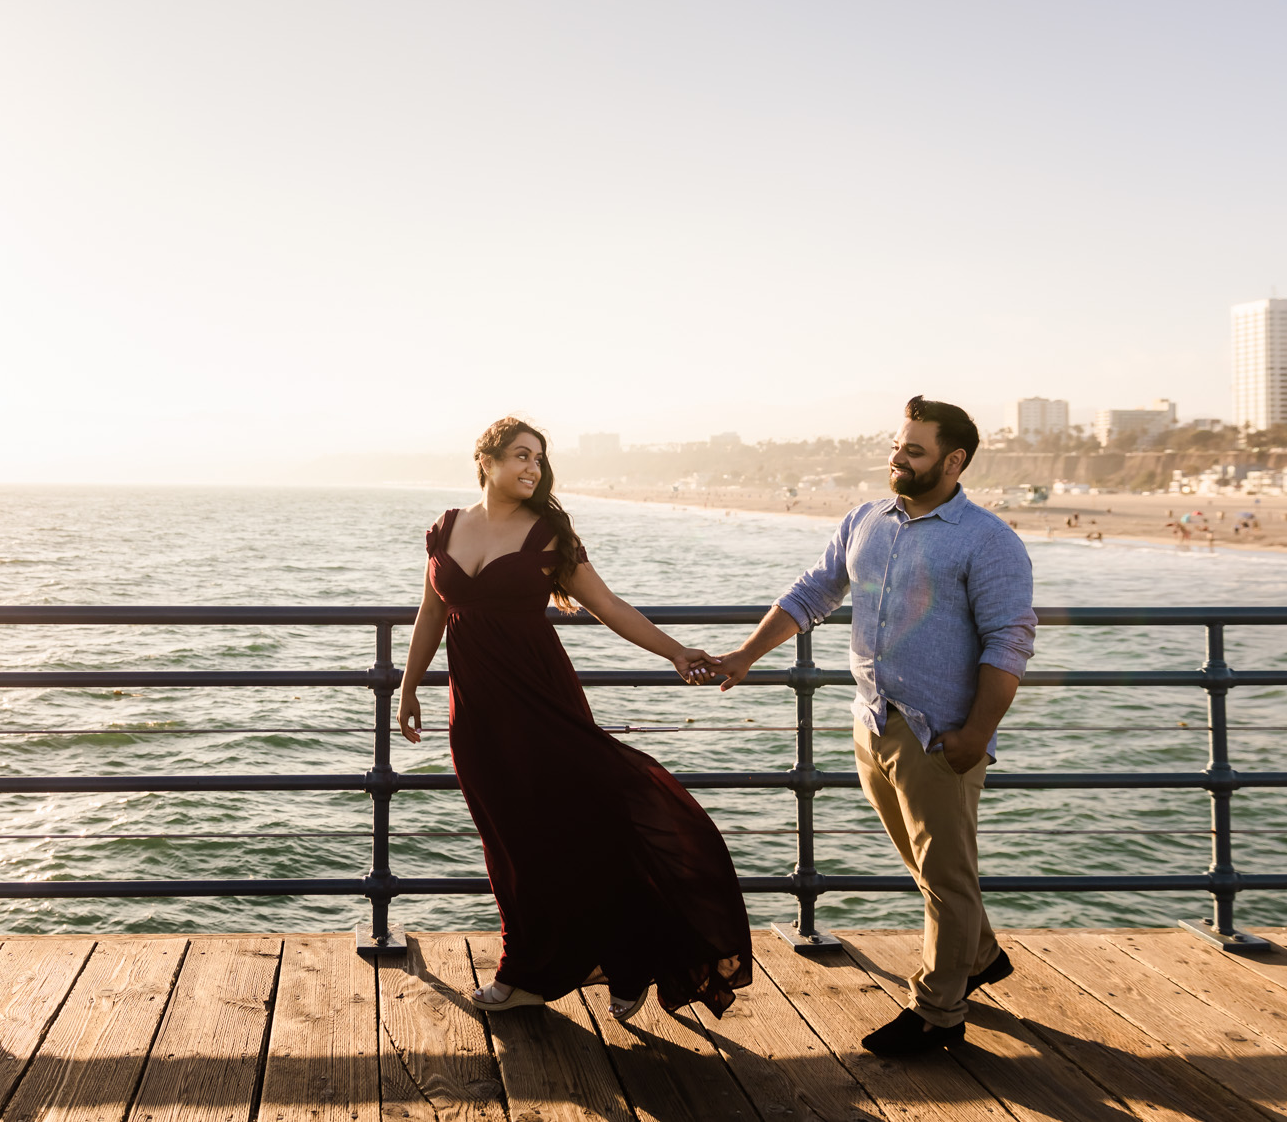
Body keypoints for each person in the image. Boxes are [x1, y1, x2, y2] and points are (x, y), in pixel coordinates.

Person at [705, 397, 1036, 1057]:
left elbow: (1009, 643)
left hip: (940, 734)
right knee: (932, 867)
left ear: (954, 460)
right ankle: (982, 955)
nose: (898, 456)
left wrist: (974, 734)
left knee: (944, 877)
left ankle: (938, 1012)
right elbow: (812, 592)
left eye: (914, 450)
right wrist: (745, 654)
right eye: (897, 444)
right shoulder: (865, 520)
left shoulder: (987, 539)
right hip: (872, 722)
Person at [398, 417, 751, 1021]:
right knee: (508, 844)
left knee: (585, 828)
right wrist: (408, 686)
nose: (532, 468)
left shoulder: (550, 535)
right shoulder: (446, 528)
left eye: (539, 458)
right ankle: (533, 970)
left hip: (544, 704)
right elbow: (432, 611)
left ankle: (627, 953)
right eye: (519, 456)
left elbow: (608, 604)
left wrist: (675, 652)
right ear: (485, 460)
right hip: (477, 714)